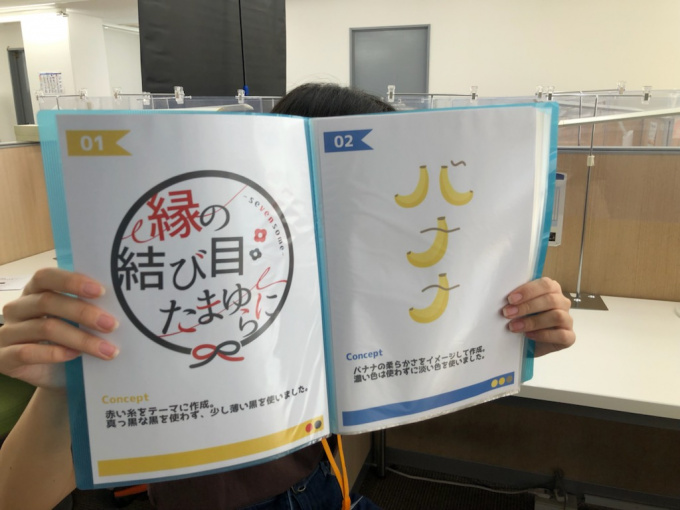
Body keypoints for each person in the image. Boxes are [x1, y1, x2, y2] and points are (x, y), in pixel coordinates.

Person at [0, 83, 575, 510]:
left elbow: (410, 360)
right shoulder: (195, 290)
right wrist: (66, 391)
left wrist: (508, 333)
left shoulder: (354, 285)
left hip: (322, 486)